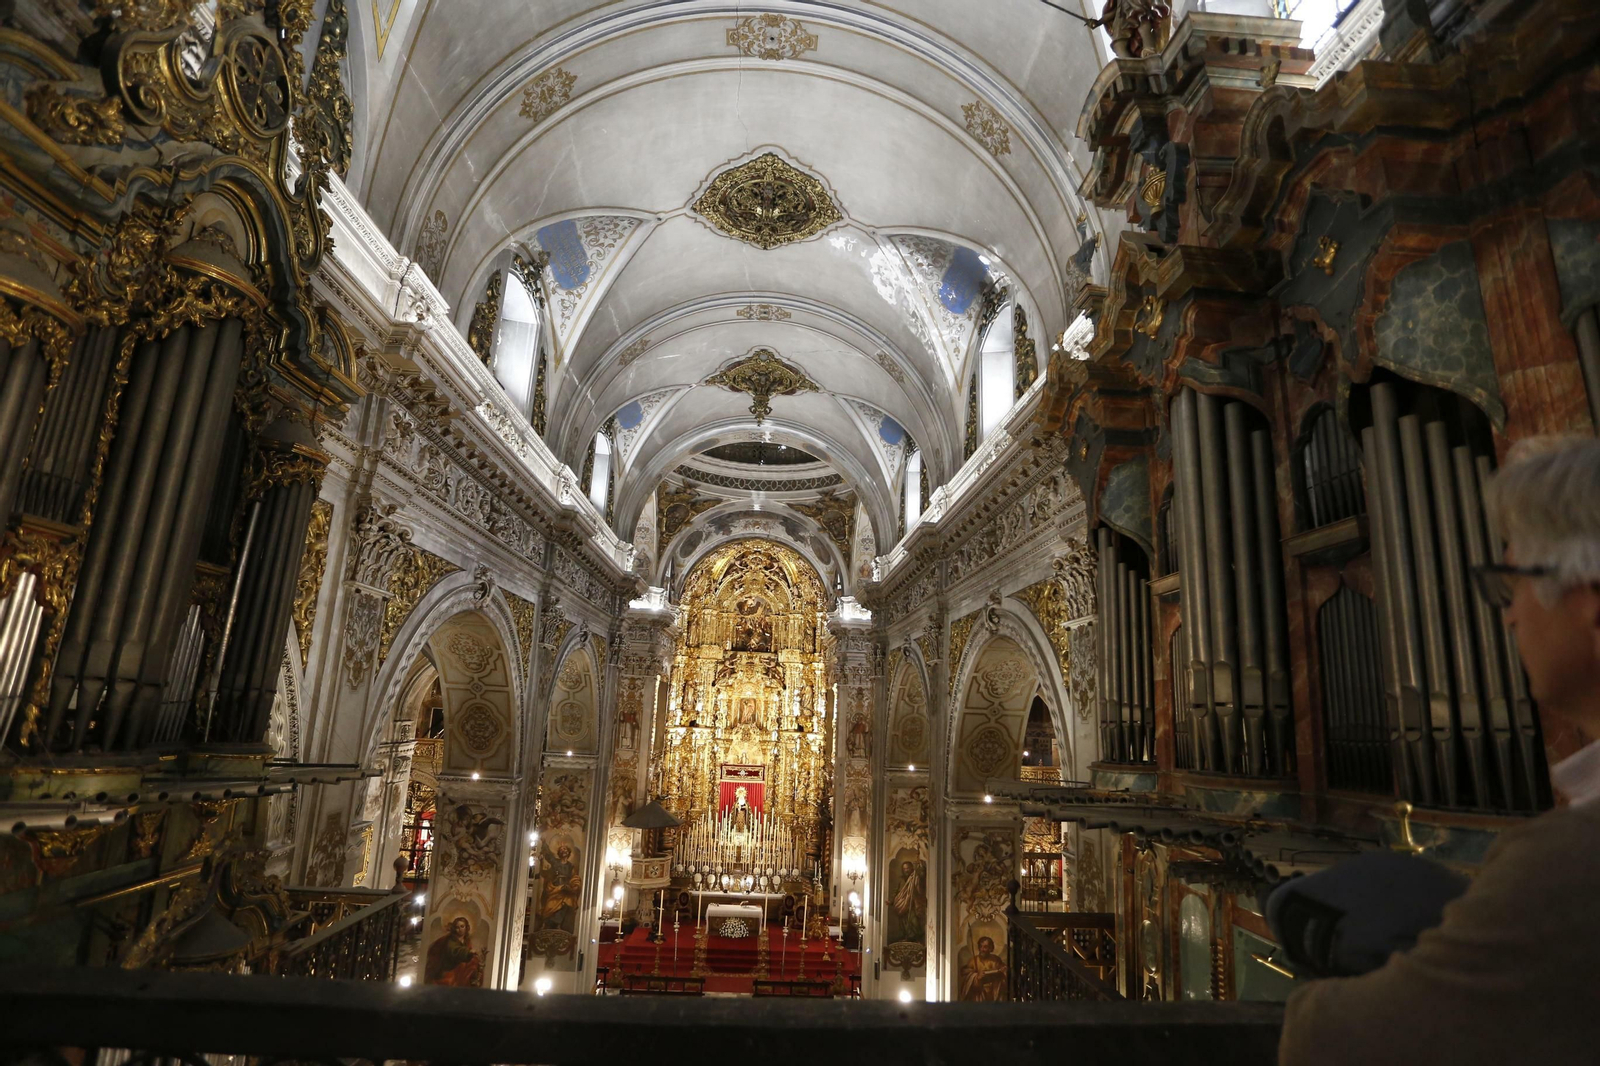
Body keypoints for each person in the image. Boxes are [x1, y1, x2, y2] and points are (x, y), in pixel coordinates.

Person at [1278, 436, 1600, 1065]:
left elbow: (1328, 1041)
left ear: (1591, 605)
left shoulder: (1570, 861)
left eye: (1512, 583)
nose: (1507, 618)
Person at [424, 916, 482, 986]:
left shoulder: (466, 941)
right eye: (457, 927)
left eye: (462, 926)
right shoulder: (451, 940)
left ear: (466, 927)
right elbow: (454, 951)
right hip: (449, 969)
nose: (460, 929)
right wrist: (468, 952)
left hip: (460, 970)